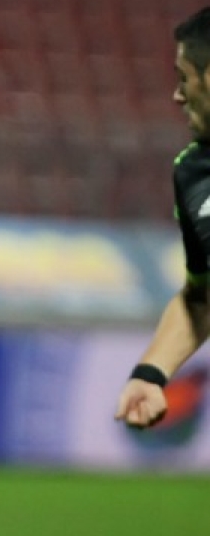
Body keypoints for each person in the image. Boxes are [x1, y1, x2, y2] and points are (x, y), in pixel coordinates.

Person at [117, 7, 210, 431]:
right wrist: (151, 373)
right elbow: (202, 297)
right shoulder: (194, 174)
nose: (177, 96)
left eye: (183, 78)